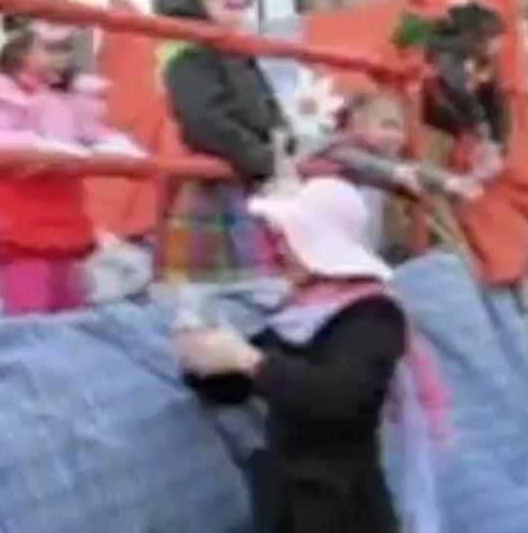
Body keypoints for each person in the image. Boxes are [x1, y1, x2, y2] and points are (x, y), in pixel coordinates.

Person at [175, 177, 446, 533]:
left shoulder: (373, 314)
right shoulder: (297, 310)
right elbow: (239, 385)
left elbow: (338, 395)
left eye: (289, 239)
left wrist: (248, 360)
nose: (280, 250)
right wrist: (203, 363)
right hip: (288, 501)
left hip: (344, 505)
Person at [0, 16, 141, 315]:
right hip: (18, 210)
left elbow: (93, 133)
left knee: (68, 297)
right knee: (29, 298)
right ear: (19, 50)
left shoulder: (72, 96)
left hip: (62, 206)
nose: (61, 58)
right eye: (51, 48)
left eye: (66, 49)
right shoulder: (2, 92)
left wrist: (118, 146)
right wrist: (40, 147)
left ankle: (63, 352)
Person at [151, 0, 285, 287]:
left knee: (260, 276)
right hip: (214, 182)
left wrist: (282, 144)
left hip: (247, 177)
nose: (238, 2)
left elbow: (268, 107)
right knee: (214, 286)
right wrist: (263, 159)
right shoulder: (187, 54)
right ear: (193, 1)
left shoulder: (237, 52)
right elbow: (203, 120)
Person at [309, 90, 482, 259]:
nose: (397, 135)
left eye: (400, 129)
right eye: (387, 125)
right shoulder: (338, 148)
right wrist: (395, 172)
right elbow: (364, 163)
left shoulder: (381, 156)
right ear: (359, 124)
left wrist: (449, 181)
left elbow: (413, 168)